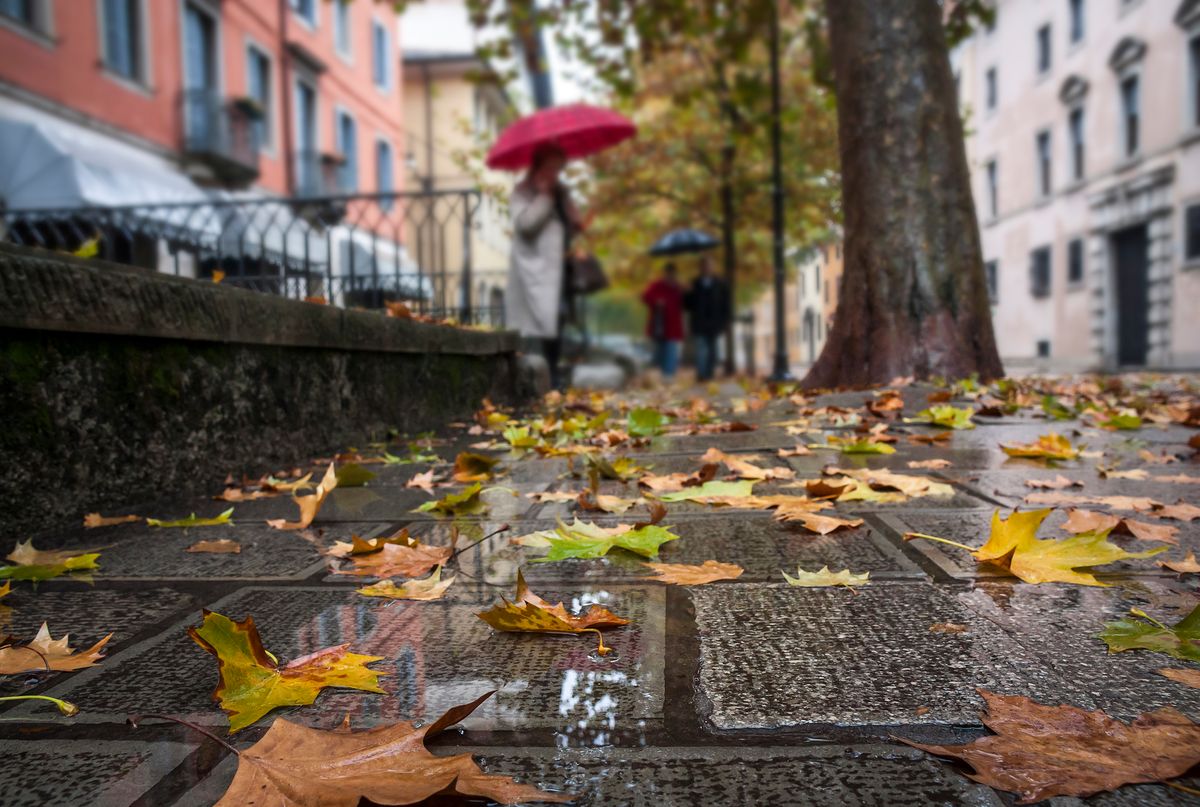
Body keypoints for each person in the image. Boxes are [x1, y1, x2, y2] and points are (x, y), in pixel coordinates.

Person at [505, 144, 582, 389]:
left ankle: (553, 375)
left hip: (559, 271)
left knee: (556, 324)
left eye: (558, 167)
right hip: (534, 272)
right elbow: (526, 226)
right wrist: (544, 196)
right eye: (551, 166)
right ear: (538, 164)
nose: (555, 172)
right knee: (535, 327)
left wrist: (571, 212)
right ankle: (537, 379)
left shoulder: (561, 193)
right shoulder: (523, 191)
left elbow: (572, 226)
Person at [683, 255, 731, 381]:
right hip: (699, 322)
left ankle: (709, 373)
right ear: (701, 267)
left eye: (710, 265)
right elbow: (687, 306)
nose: (707, 268)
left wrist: (725, 321)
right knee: (701, 348)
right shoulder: (694, 283)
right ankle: (702, 374)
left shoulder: (721, 284)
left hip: (715, 322)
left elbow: (726, 304)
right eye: (704, 265)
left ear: (713, 267)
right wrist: (687, 294)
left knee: (713, 350)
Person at [641, 262, 685, 379]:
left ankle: (669, 373)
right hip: (660, 325)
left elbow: (686, 302)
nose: (671, 275)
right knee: (661, 349)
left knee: (671, 349)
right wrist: (657, 301)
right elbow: (645, 296)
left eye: (672, 273)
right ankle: (664, 372)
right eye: (669, 273)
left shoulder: (678, 287)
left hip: (673, 324)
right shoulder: (657, 285)